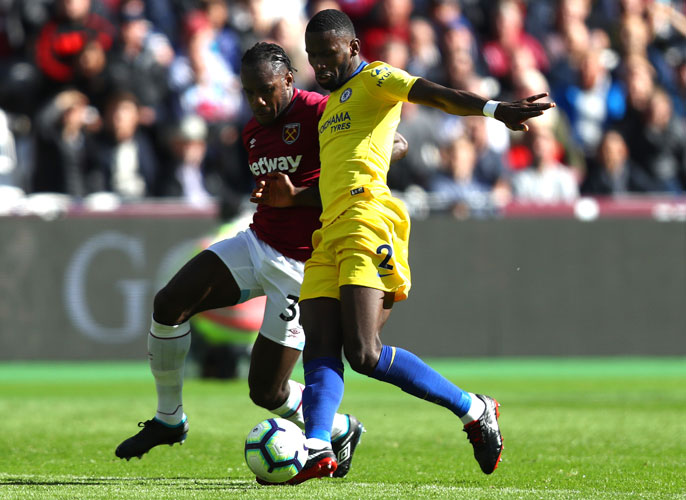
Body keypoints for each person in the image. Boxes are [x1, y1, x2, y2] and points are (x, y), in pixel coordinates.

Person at [262, 9, 552, 484]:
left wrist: (495, 110)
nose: (321, 65)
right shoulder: (332, 106)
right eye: (313, 57)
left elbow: (435, 94)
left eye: (328, 54)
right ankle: (317, 445)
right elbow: (348, 168)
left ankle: (474, 408)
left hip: (367, 220)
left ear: (352, 48)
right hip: (328, 230)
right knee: (319, 348)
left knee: (364, 353)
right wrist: (294, 196)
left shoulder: (376, 78)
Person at [114, 41, 408, 481]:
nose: (258, 101)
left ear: (289, 79)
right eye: (249, 91)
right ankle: (169, 419)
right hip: (258, 244)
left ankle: (341, 427)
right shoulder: (251, 128)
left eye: (266, 90)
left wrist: (302, 195)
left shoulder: (321, 110)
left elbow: (396, 141)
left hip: (304, 266)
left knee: (266, 391)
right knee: (168, 303)